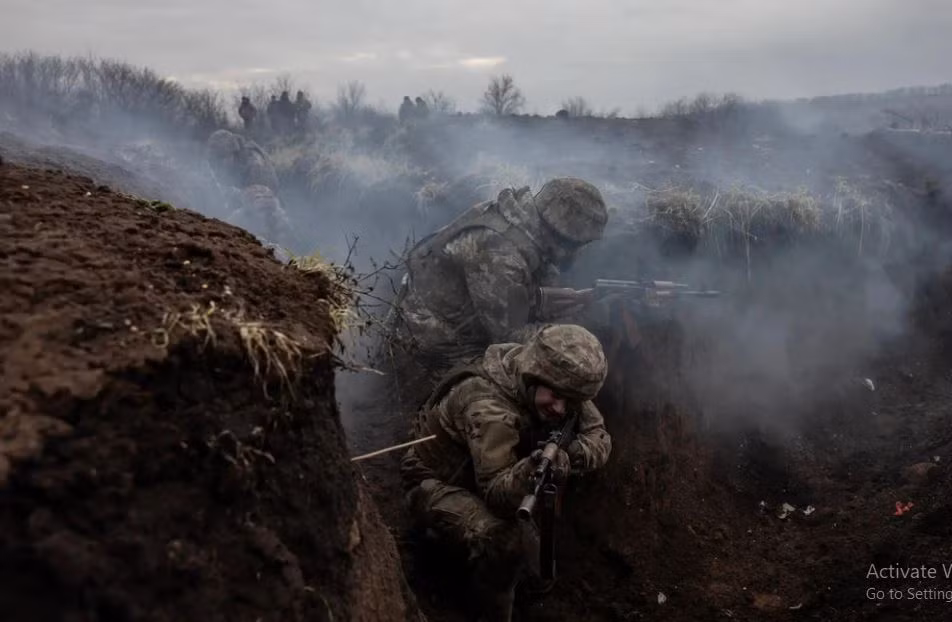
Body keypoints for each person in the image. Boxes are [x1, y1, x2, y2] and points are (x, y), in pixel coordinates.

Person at [400, 323, 612, 621]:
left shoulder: (556, 379)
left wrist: (570, 456)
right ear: (534, 376)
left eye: (571, 401)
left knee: (536, 571)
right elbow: (497, 495)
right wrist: (530, 470)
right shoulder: (488, 409)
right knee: (505, 544)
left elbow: (599, 436)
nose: (561, 409)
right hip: (437, 484)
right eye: (556, 397)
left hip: (493, 467)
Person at [385, 177, 608, 407]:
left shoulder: (521, 217)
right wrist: (569, 335)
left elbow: (526, 287)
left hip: (459, 311)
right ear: (559, 234)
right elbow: (508, 337)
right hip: (433, 337)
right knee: (501, 400)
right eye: (576, 244)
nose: (578, 251)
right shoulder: (501, 254)